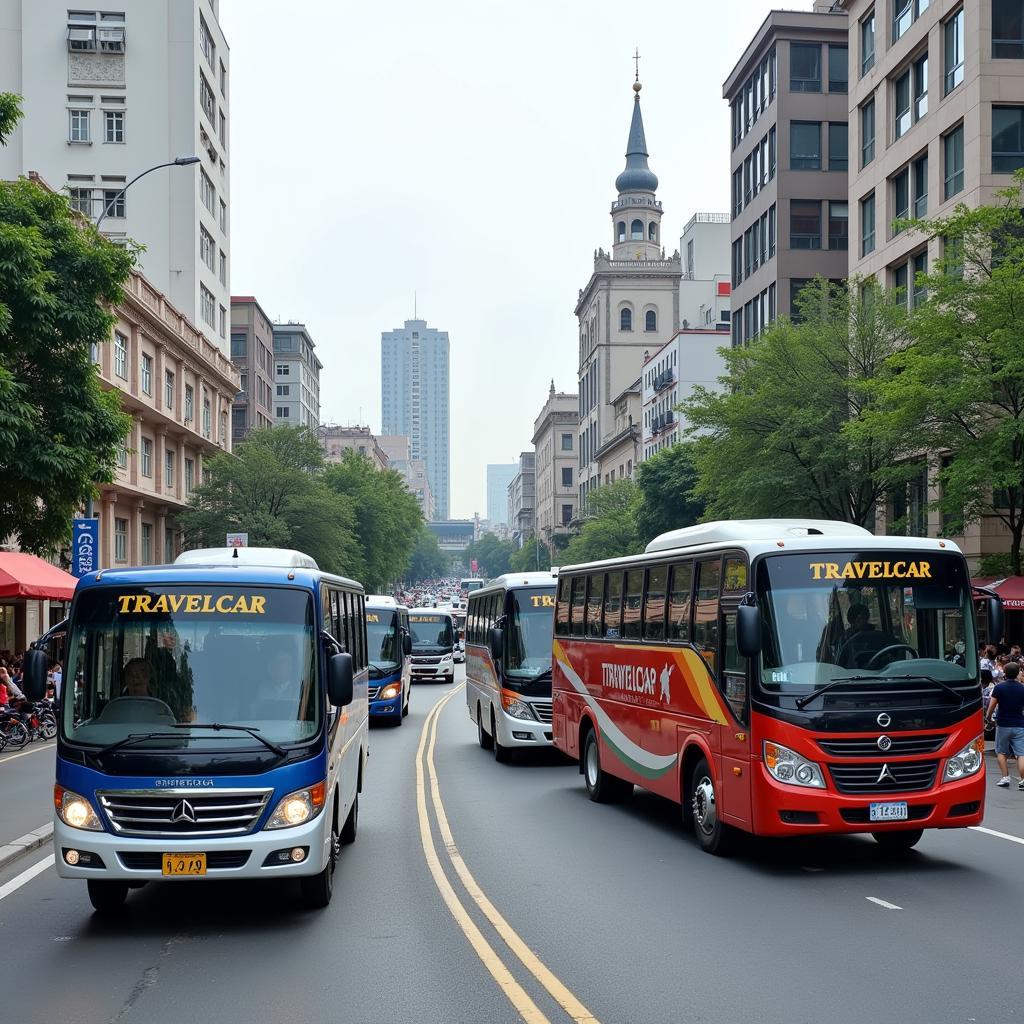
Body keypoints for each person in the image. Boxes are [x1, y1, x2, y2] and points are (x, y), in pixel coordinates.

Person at [985, 660, 1024, 790]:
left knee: (1001, 751)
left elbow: (992, 705)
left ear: (1005, 673)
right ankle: (1023, 780)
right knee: (1021, 753)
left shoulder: (999, 687)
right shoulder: (1022, 688)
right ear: (1018, 673)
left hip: (1003, 724)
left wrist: (988, 717)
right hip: (1019, 724)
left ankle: (1005, 777)